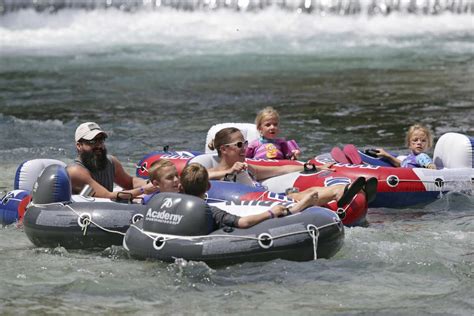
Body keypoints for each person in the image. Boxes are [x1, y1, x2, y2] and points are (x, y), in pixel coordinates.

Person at [207, 127, 374, 207]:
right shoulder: (215, 172)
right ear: (223, 149)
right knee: (309, 194)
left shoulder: (247, 167)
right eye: (238, 144)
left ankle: (347, 192)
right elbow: (194, 178)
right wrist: (228, 172)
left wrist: (314, 167)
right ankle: (343, 193)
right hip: (261, 204)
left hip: (271, 197)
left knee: (309, 190)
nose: (244, 148)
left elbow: (281, 169)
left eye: (244, 143)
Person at [180, 163, 318, 229]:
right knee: (276, 212)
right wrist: (270, 213)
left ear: (181, 186)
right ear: (209, 187)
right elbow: (243, 222)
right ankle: (300, 205)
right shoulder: (209, 211)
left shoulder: (170, 203)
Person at [67, 122, 157, 199]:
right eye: (92, 142)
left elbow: (130, 182)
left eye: (101, 140)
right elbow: (107, 196)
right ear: (79, 145)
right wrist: (143, 190)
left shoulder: (111, 162)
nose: (99, 146)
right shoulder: (75, 172)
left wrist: (153, 183)